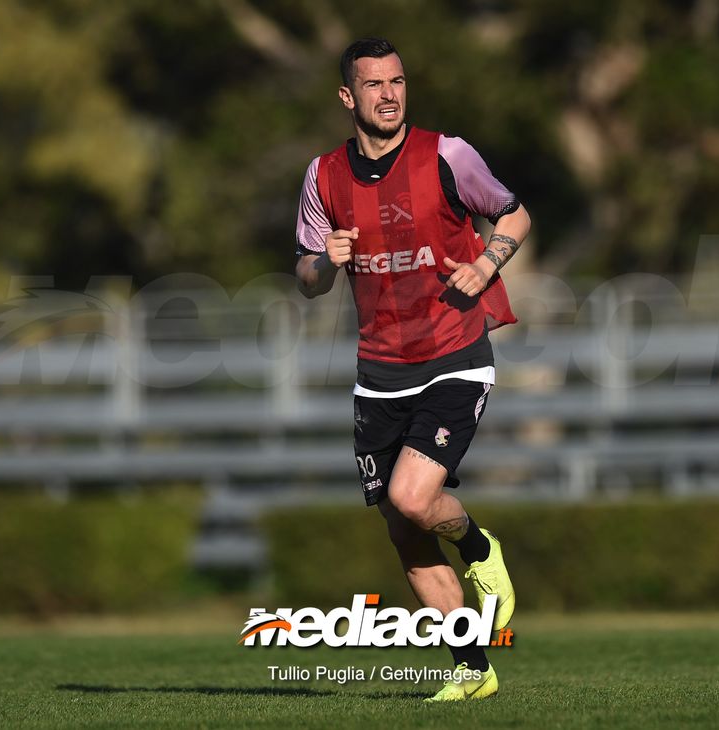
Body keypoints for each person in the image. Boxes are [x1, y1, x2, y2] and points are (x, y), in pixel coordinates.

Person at [294, 37, 530, 702]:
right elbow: (306, 276)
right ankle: (472, 670)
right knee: (403, 528)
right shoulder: (322, 178)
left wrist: (488, 262)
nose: (389, 94)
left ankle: (481, 550)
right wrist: (323, 261)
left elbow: (515, 211)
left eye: (397, 80)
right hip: (378, 372)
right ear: (348, 97)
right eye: (373, 84)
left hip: (453, 354)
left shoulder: (446, 154)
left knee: (411, 497)